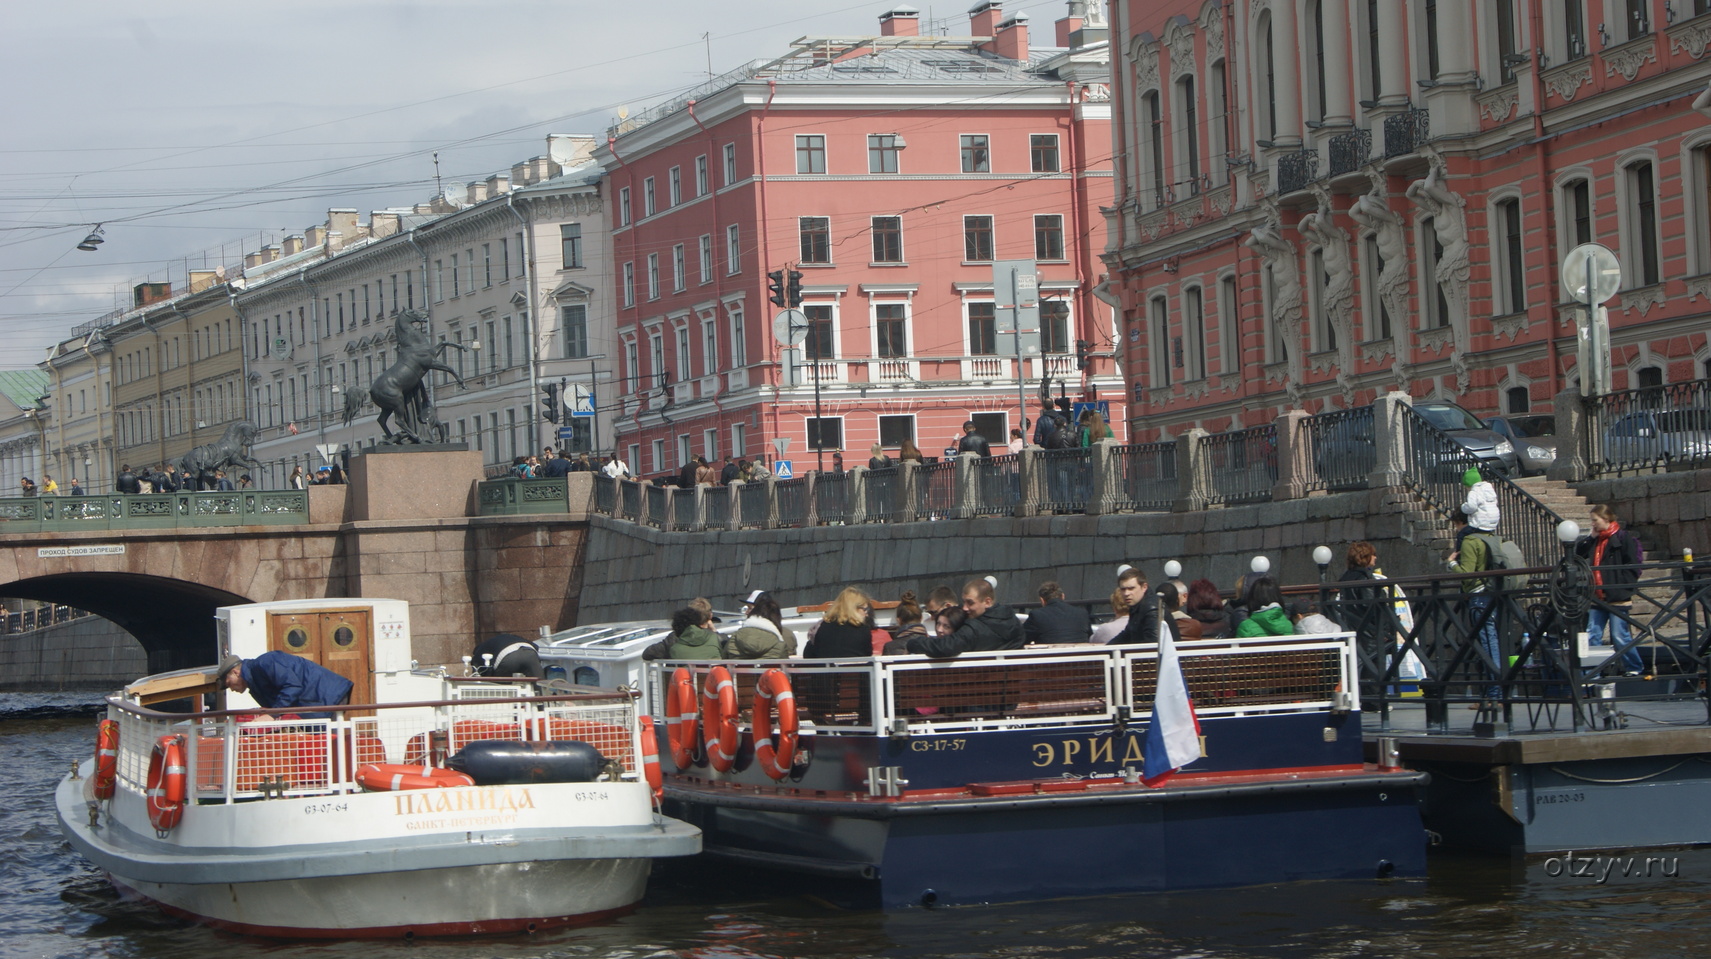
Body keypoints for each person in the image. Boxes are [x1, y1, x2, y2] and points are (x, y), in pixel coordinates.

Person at [1578, 505, 1645, 675]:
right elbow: (1578, 555)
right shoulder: (1595, 539)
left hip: (1617, 595)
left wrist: (1623, 586)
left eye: (1595, 520)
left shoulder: (1623, 538)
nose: (1593, 524)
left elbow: (1633, 565)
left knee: (1619, 635)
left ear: (1606, 519)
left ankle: (1634, 668)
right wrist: (1590, 538)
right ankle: (1592, 673)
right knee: (1593, 635)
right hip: (1598, 595)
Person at [1448, 516, 1503, 698]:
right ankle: (1495, 691)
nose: (1456, 530)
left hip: (1479, 596)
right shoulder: (1489, 537)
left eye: (1455, 524)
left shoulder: (1470, 541)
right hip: (1492, 592)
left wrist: (1452, 564)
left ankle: (1494, 693)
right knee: (1491, 642)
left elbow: (1468, 575)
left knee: (1488, 644)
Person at [906, 578, 1024, 656]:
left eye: (970, 603)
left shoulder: (974, 629)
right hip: (1010, 686)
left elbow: (945, 646)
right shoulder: (1014, 621)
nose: (965, 608)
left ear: (987, 602)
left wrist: (914, 643)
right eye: (964, 602)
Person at [217, 652, 353, 719]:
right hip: (321, 699)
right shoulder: (255, 683)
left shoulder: (264, 663)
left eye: (229, 684)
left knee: (329, 743)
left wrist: (271, 715)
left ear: (236, 672)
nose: (232, 689)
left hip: (328, 696)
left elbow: (292, 686)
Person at [1108, 565, 1174, 645]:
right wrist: (1105, 648)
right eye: (1123, 589)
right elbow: (1126, 635)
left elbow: (1153, 644)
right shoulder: (1137, 606)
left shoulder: (1152, 608)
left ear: (1144, 587)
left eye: (1131, 588)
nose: (1126, 593)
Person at [804, 588, 875, 658]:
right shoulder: (862, 629)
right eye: (865, 609)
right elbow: (867, 653)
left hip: (826, 668)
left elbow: (810, 654)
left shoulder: (821, 627)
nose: (867, 614)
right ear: (854, 608)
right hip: (854, 668)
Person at [724, 590, 795, 659]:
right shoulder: (784, 638)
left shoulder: (735, 638)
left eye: (750, 608)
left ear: (762, 609)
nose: (746, 612)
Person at [1023, 580, 1092, 645]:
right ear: (1063, 596)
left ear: (1042, 600)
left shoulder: (1037, 615)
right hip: (1080, 656)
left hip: (1050, 656)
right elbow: (1091, 638)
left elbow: (1022, 639)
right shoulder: (1082, 613)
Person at [641, 607, 724, 661]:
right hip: (713, 685)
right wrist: (713, 630)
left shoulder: (673, 642)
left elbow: (647, 654)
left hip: (683, 685)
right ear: (699, 622)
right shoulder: (714, 638)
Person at [1457, 467, 1499, 549]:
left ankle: (1459, 555)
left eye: (1466, 486)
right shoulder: (1489, 490)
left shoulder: (1473, 492)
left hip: (1480, 524)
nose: (1466, 489)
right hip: (1493, 523)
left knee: (1461, 535)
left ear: (1469, 484)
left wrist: (1463, 507)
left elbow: (1471, 507)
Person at [470, 633, 544, 677]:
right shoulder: (506, 637)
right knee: (540, 686)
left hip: (507, 656)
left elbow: (480, 672)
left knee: (502, 691)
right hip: (530, 652)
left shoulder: (479, 651)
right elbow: (536, 647)